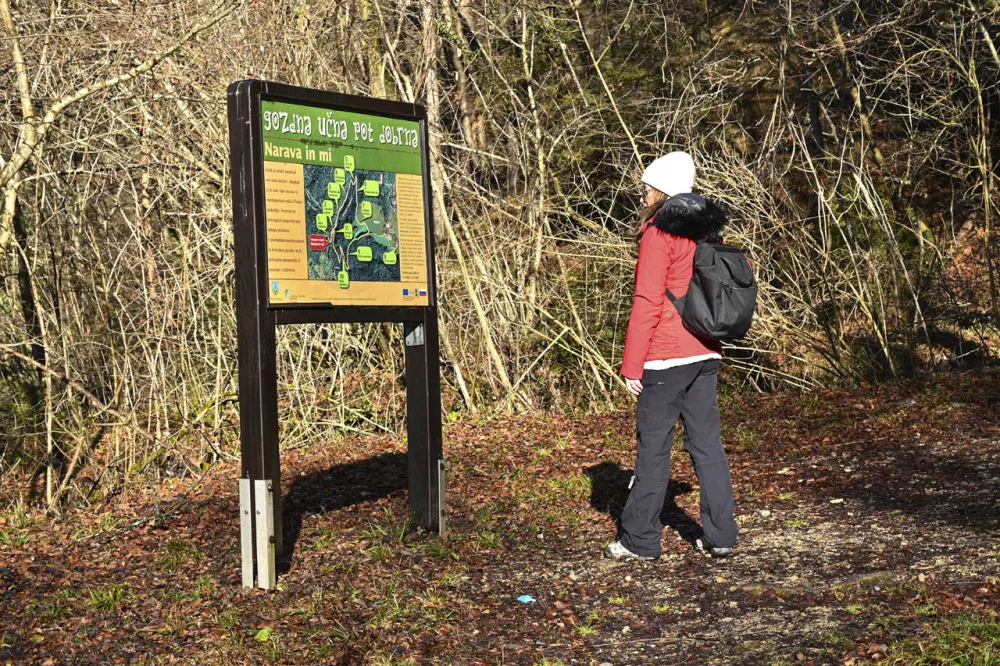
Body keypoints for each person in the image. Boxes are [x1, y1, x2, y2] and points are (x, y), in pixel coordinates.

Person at [604, 151, 740, 561]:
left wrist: (632, 365)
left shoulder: (658, 233)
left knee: (654, 447)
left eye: (648, 186)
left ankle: (640, 540)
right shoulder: (706, 231)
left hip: (665, 355)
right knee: (707, 445)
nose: (643, 193)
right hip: (705, 349)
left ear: (662, 190)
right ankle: (722, 536)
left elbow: (647, 299)